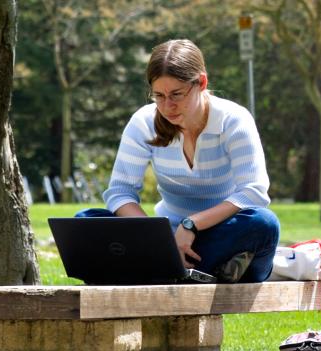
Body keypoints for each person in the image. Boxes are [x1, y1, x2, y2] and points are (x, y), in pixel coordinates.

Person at [95, 39, 279, 283]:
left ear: (201, 82)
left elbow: (253, 192)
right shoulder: (143, 123)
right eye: (158, 96)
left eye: (176, 95)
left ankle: (161, 271)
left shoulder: (233, 120)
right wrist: (157, 240)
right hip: (166, 239)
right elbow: (120, 192)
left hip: (221, 233)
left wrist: (192, 225)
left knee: (263, 224)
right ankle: (188, 269)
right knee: (87, 220)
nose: (167, 106)